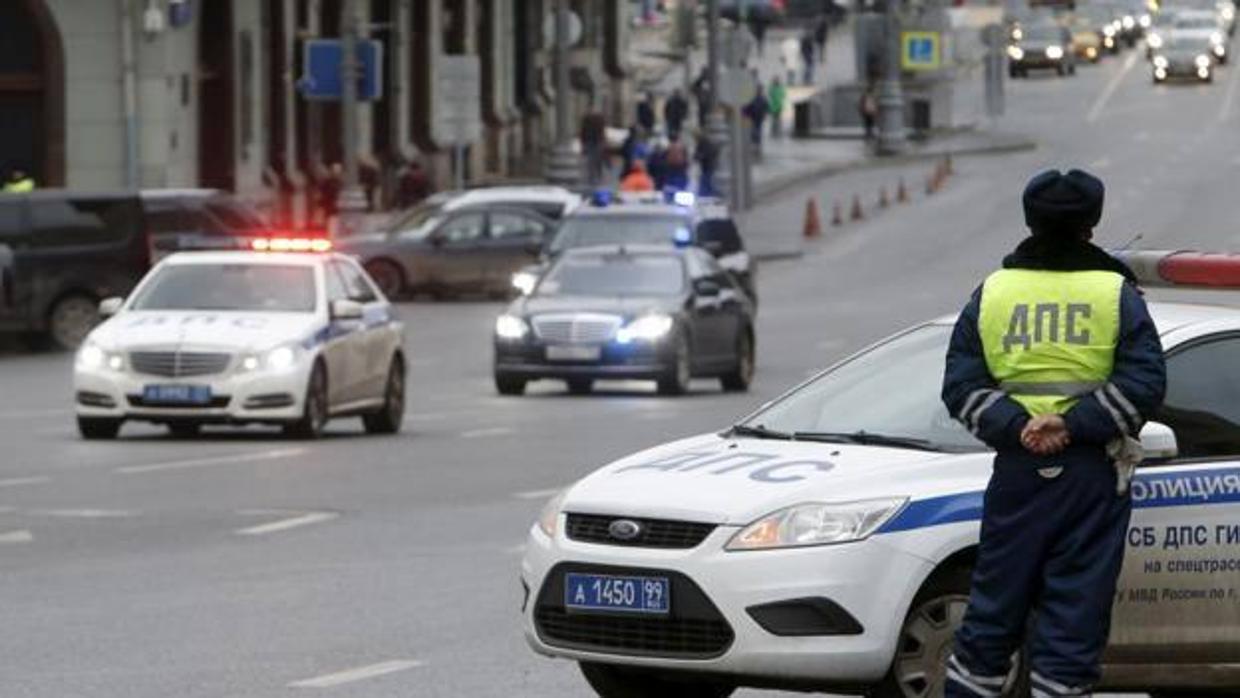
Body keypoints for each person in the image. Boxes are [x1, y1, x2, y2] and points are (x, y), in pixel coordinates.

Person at [941, 169, 1166, 698]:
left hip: (1018, 473)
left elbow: (961, 385)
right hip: (1090, 475)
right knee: (1074, 618)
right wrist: (1073, 423)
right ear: (1092, 223)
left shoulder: (994, 292)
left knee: (992, 612)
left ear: (1029, 220)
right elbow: (1145, 381)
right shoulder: (1114, 293)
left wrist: (1019, 427)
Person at [580, 104, 609, 186]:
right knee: (595, 160)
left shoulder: (589, 118)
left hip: (593, 141)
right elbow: (584, 131)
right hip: (594, 141)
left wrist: (583, 142)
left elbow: (583, 131)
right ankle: (595, 177)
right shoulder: (597, 118)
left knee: (593, 160)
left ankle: (594, 177)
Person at [744, 84, 769, 152]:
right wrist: (745, 114)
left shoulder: (763, 98)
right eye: (758, 89)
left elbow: (766, 107)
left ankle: (757, 143)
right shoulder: (752, 98)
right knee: (754, 130)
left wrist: (765, 114)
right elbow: (748, 107)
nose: (758, 91)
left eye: (759, 89)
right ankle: (754, 143)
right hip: (753, 116)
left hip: (759, 117)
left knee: (758, 130)